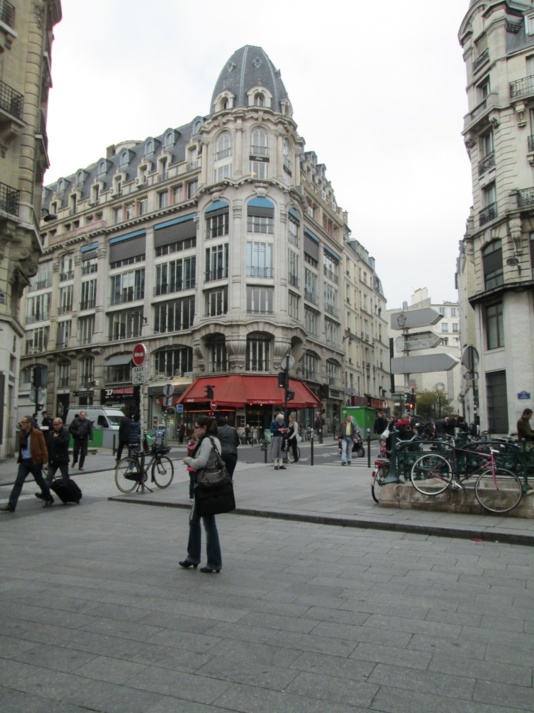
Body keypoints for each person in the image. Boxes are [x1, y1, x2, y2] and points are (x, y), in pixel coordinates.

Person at [180, 416, 223, 573]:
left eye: (197, 427)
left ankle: (206, 560)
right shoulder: (215, 440)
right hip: (212, 484)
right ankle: (200, 558)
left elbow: (201, 462)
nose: (194, 429)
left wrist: (189, 460)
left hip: (204, 485)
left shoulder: (206, 441)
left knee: (201, 522)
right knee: (203, 521)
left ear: (204, 428)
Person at [1, 416, 54, 512]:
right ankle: (11, 505)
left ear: (29, 423)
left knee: (40, 481)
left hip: (35, 462)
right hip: (24, 462)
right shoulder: (22, 433)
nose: (21, 423)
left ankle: (49, 498)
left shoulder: (37, 433)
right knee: (18, 482)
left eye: (23, 422)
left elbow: (44, 448)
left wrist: (44, 462)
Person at [45, 417, 70, 483]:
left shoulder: (65, 432)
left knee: (65, 477)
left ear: (61, 424)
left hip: (62, 458)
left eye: (56, 424)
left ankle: (68, 491)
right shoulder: (51, 433)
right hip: (53, 459)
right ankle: (45, 492)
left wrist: (56, 439)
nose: (55, 426)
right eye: (54, 424)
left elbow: (65, 443)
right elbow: (48, 445)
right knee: (49, 477)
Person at [217, 416, 239, 480]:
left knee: (220, 474)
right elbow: (237, 442)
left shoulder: (218, 430)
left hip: (221, 454)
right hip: (232, 453)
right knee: (230, 474)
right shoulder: (233, 429)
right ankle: (229, 485)